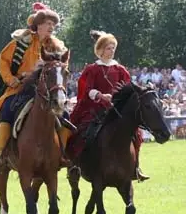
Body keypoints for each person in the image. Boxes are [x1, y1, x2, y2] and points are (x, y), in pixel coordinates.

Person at [0, 2, 71, 169]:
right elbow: (3, 61)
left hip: (46, 92)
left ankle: (62, 154)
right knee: (7, 111)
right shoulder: (21, 42)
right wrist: (11, 79)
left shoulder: (56, 46)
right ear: (38, 25)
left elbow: (61, 69)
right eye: (48, 23)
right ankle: (1, 155)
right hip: (20, 88)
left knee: (66, 116)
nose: (51, 27)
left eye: (53, 24)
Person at [64, 30, 149, 182]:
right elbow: (86, 89)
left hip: (116, 109)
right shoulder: (92, 69)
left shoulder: (120, 69)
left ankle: (135, 167)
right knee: (82, 131)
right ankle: (75, 164)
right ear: (101, 50)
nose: (111, 51)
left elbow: (127, 88)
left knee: (136, 134)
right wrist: (100, 96)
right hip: (95, 108)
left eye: (113, 48)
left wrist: (119, 98)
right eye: (108, 48)